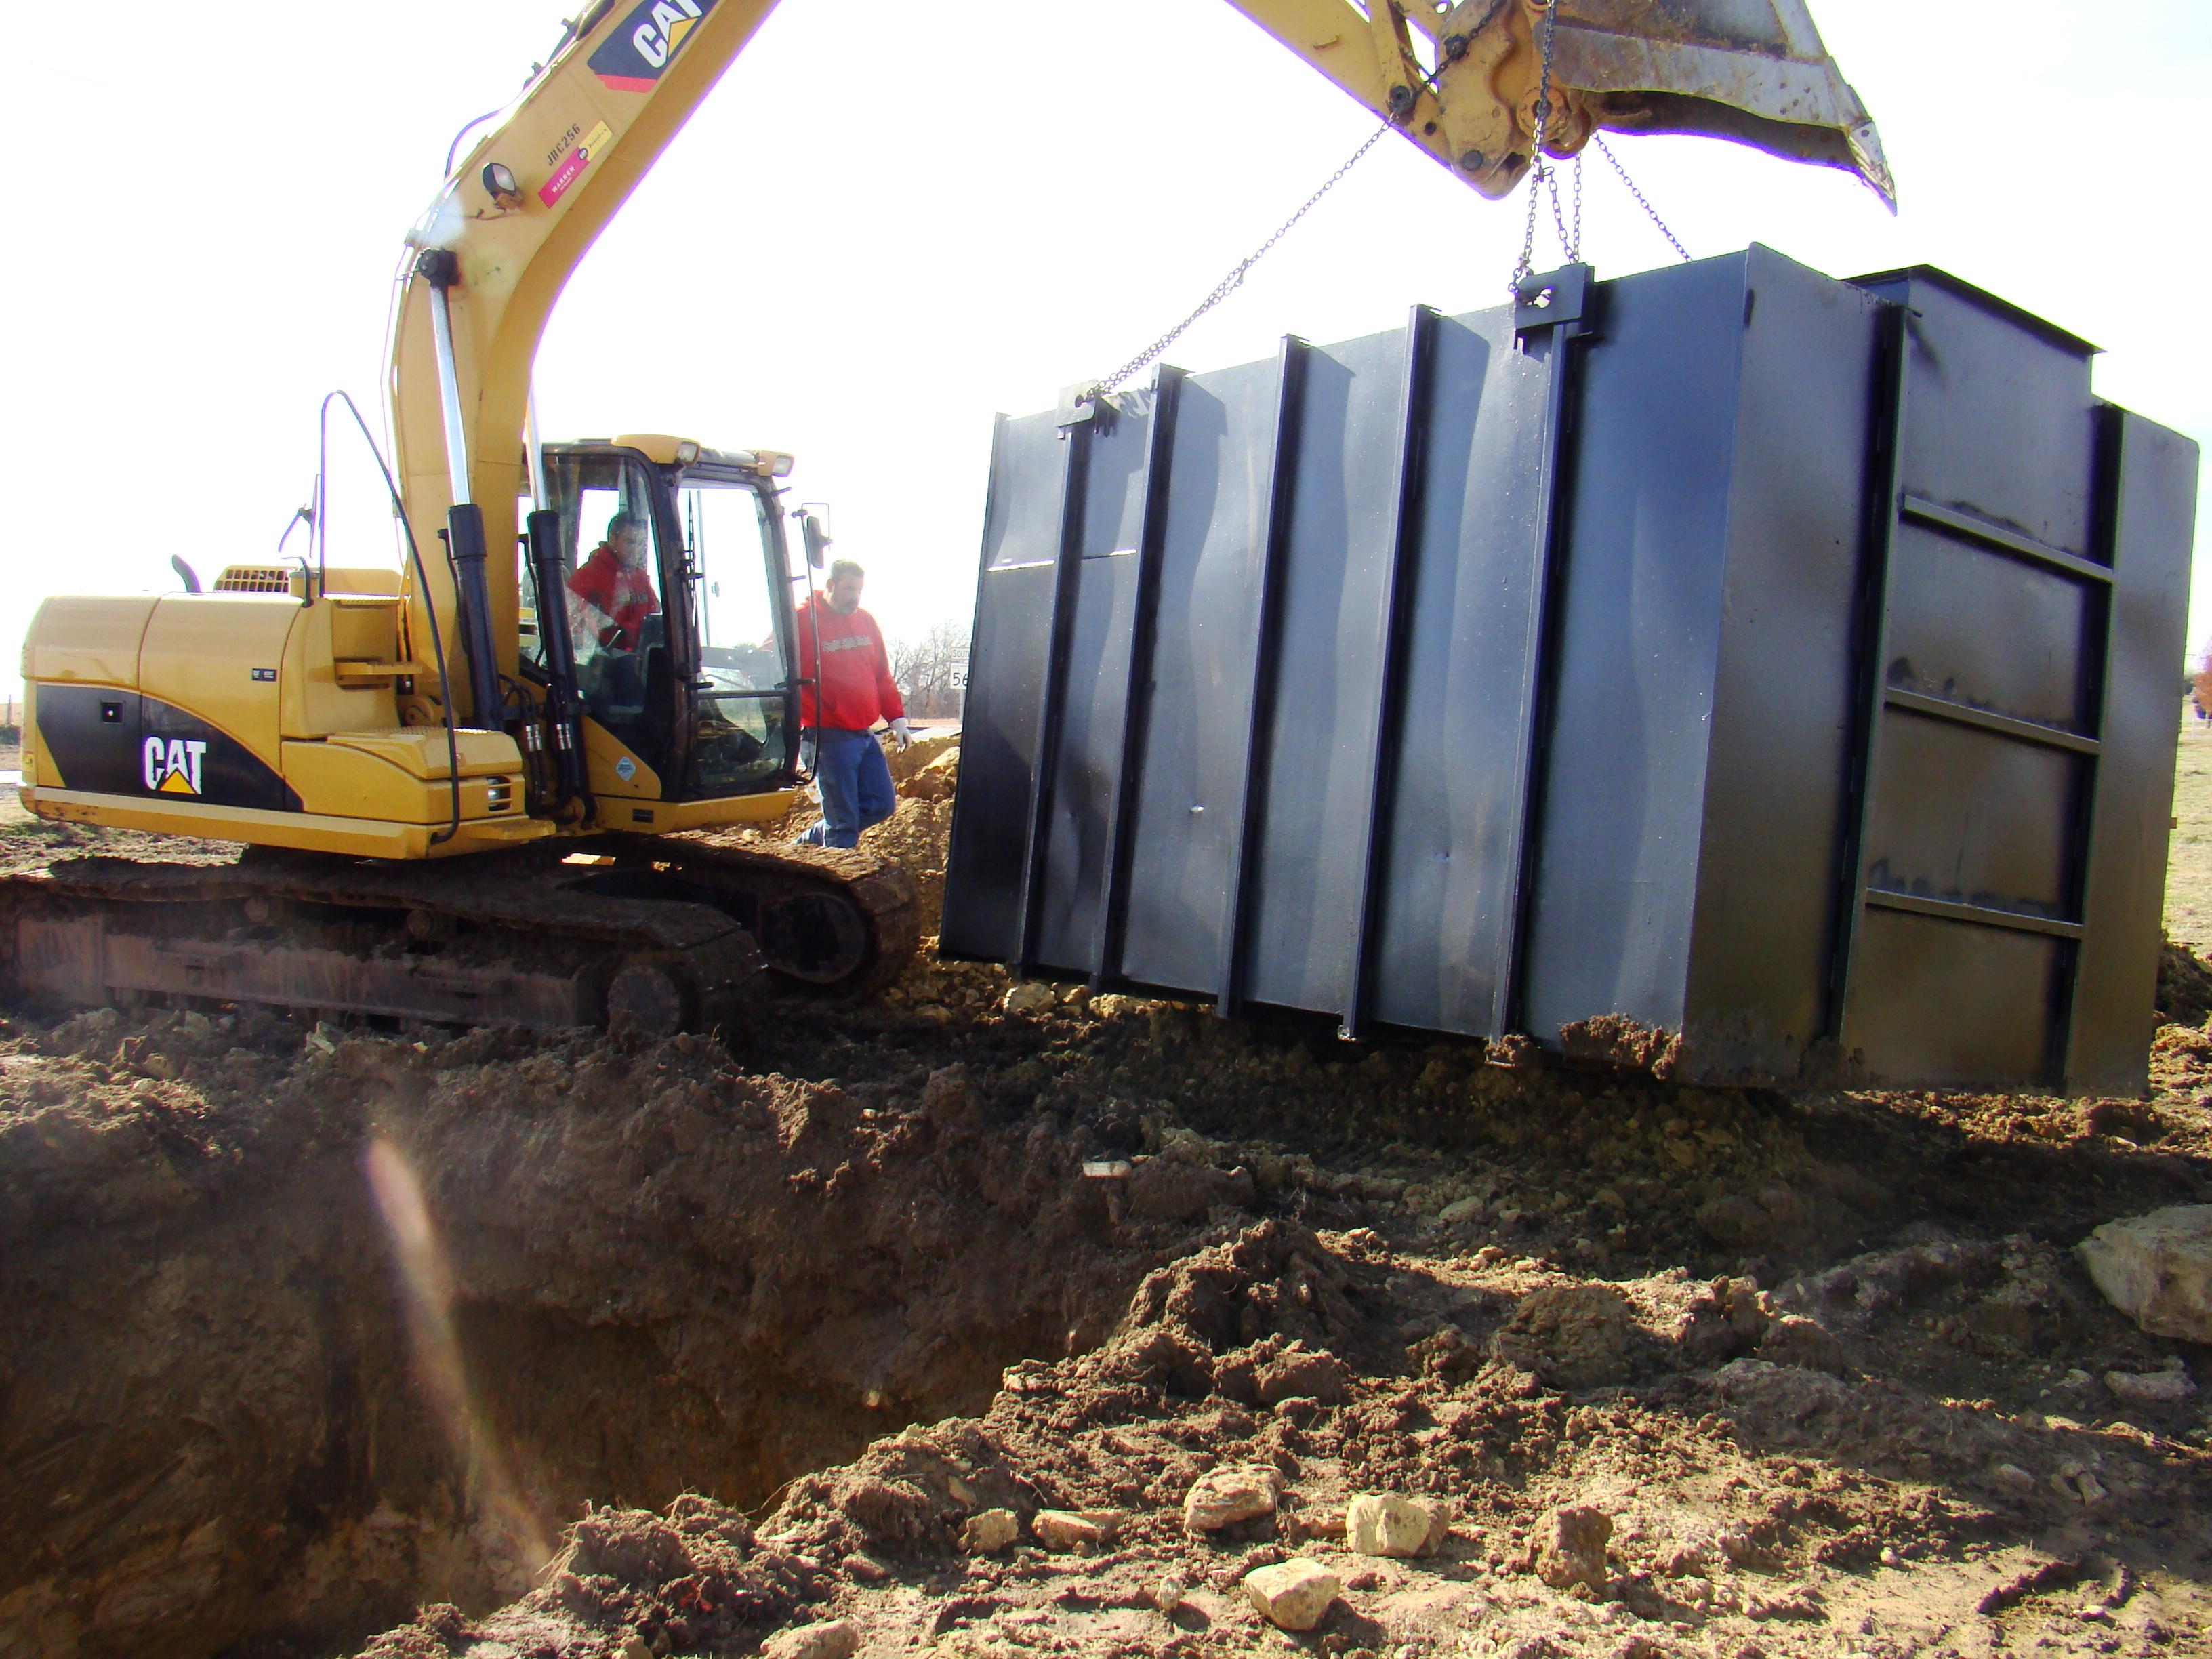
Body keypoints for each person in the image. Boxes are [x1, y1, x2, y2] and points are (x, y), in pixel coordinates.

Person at [795, 558, 909, 848]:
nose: (855, 597)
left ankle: (806, 846)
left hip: (863, 733)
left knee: (880, 804)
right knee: (843, 822)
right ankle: (830, 884)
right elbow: (768, 662)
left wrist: (896, 718)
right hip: (826, 736)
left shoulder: (865, 621)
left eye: (859, 590)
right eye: (848, 588)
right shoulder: (801, 621)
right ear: (830, 585)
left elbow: (881, 673)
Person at [567, 512, 661, 651]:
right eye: (630, 542)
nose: (636, 549)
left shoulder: (639, 578)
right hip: (604, 661)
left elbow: (655, 615)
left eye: (640, 543)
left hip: (638, 657)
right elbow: (591, 632)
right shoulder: (587, 578)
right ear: (612, 539)